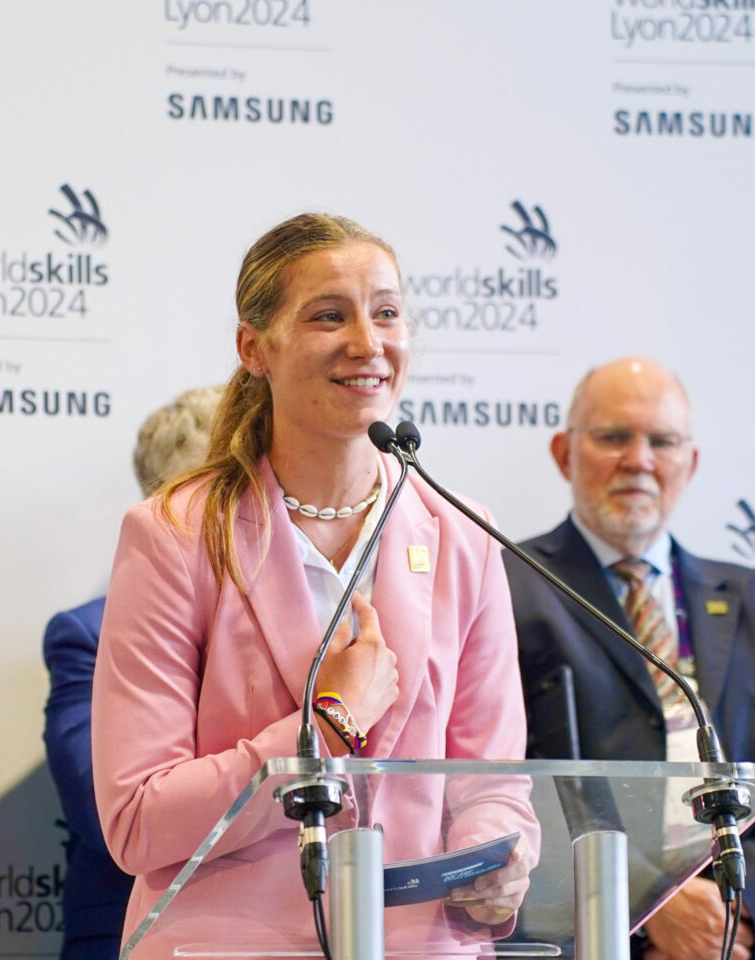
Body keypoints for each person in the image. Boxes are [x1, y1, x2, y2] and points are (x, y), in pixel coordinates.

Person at [91, 213, 537, 958]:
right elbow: (138, 819)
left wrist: (501, 858)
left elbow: (493, 782)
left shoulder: (463, 533)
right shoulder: (173, 534)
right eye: (330, 316)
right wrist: (325, 728)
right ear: (253, 349)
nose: (369, 343)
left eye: (387, 312)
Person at [507, 357, 755, 960]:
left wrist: (744, 904)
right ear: (564, 452)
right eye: (614, 436)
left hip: (746, 940)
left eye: (663, 441)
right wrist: (647, 906)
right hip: (589, 938)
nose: (640, 460)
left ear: (690, 463)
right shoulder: (504, 586)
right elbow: (501, 779)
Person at [42, 384, 222, 960]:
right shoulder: (86, 635)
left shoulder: (309, 626)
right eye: (223, 487)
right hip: (131, 932)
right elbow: (107, 811)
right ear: (167, 499)